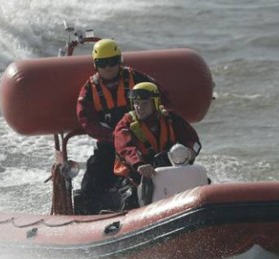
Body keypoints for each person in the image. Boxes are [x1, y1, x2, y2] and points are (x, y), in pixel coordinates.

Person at [75, 39, 169, 214]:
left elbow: (160, 97)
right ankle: (88, 216)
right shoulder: (89, 90)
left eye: (113, 61)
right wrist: (116, 137)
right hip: (110, 144)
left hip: (143, 140)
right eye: (103, 63)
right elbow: (87, 121)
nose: (108, 67)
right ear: (96, 65)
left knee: (165, 162)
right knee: (93, 178)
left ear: (120, 61)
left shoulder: (136, 78)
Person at [113, 82, 202, 210]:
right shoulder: (125, 124)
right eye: (136, 103)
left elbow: (194, 142)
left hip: (168, 171)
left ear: (155, 103)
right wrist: (139, 164)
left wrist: (189, 152)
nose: (139, 108)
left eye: (145, 104)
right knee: (131, 198)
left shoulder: (171, 119)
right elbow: (125, 148)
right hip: (135, 176)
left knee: (202, 185)